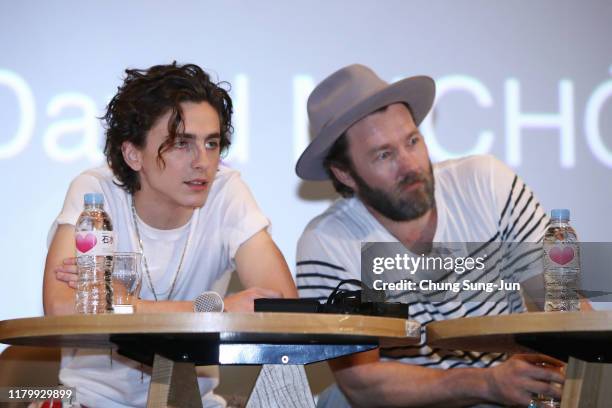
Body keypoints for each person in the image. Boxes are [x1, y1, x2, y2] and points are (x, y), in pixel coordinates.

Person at [295, 64, 566, 407]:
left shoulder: (487, 184)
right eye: (384, 154)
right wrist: (485, 383)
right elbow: (362, 384)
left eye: (412, 141)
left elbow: (567, 310)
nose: (409, 165)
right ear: (344, 173)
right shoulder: (327, 243)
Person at [43, 62, 297, 407]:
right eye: (182, 144)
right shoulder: (95, 193)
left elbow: (283, 308)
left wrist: (126, 304)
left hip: (193, 402)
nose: (203, 162)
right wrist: (210, 311)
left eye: (211, 143)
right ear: (133, 154)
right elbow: (61, 307)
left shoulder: (226, 192)